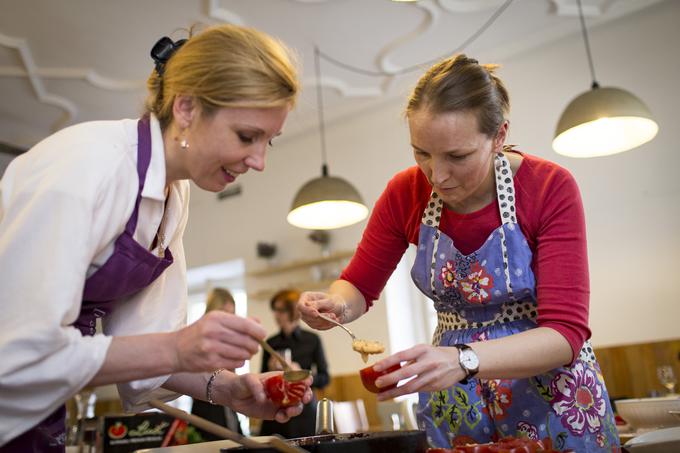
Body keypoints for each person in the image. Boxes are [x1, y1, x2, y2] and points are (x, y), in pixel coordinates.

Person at [0, 24, 313, 452]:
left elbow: (142, 348)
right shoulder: (85, 169)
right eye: (246, 136)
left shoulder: (172, 195)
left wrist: (227, 388)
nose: (258, 161)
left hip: (37, 415)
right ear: (186, 108)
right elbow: (17, 356)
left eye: (269, 142)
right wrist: (177, 346)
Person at [298, 55, 619, 451]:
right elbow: (358, 286)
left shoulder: (548, 187)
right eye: (422, 153)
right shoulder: (405, 193)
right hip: (458, 401)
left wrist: (462, 359)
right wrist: (335, 305)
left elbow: (563, 334)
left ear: (499, 136)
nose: (437, 175)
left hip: (554, 397)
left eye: (457, 156)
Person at [260, 289, 329, 438]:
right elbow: (261, 379)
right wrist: (271, 372)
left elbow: (325, 378)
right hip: (277, 412)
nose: (276, 315)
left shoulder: (312, 339)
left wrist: (302, 374)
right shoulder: (270, 343)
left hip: (305, 410)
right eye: (275, 310)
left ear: (294, 311)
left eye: (281, 310)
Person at [191, 288, 244, 439]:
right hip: (206, 406)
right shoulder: (197, 335)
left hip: (227, 405)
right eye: (223, 312)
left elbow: (232, 375)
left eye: (231, 314)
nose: (227, 318)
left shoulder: (230, 339)